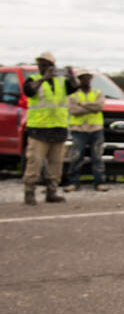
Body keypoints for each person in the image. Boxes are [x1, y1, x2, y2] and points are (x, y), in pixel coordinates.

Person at [21, 51, 79, 206]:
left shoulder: (61, 83)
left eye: (46, 64)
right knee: (35, 163)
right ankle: (29, 192)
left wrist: (71, 76)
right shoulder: (33, 80)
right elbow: (29, 91)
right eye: (41, 64)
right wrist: (44, 78)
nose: (43, 67)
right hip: (38, 130)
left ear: (53, 66)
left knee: (56, 164)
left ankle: (52, 192)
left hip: (58, 129)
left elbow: (75, 87)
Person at [64, 68, 108, 192]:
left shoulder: (98, 93)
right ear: (79, 79)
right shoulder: (73, 94)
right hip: (79, 130)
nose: (85, 80)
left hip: (96, 129)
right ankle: (73, 182)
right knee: (76, 156)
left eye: (87, 77)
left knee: (97, 157)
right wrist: (91, 107)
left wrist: (82, 104)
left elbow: (99, 107)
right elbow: (73, 110)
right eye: (82, 78)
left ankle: (99, 182)